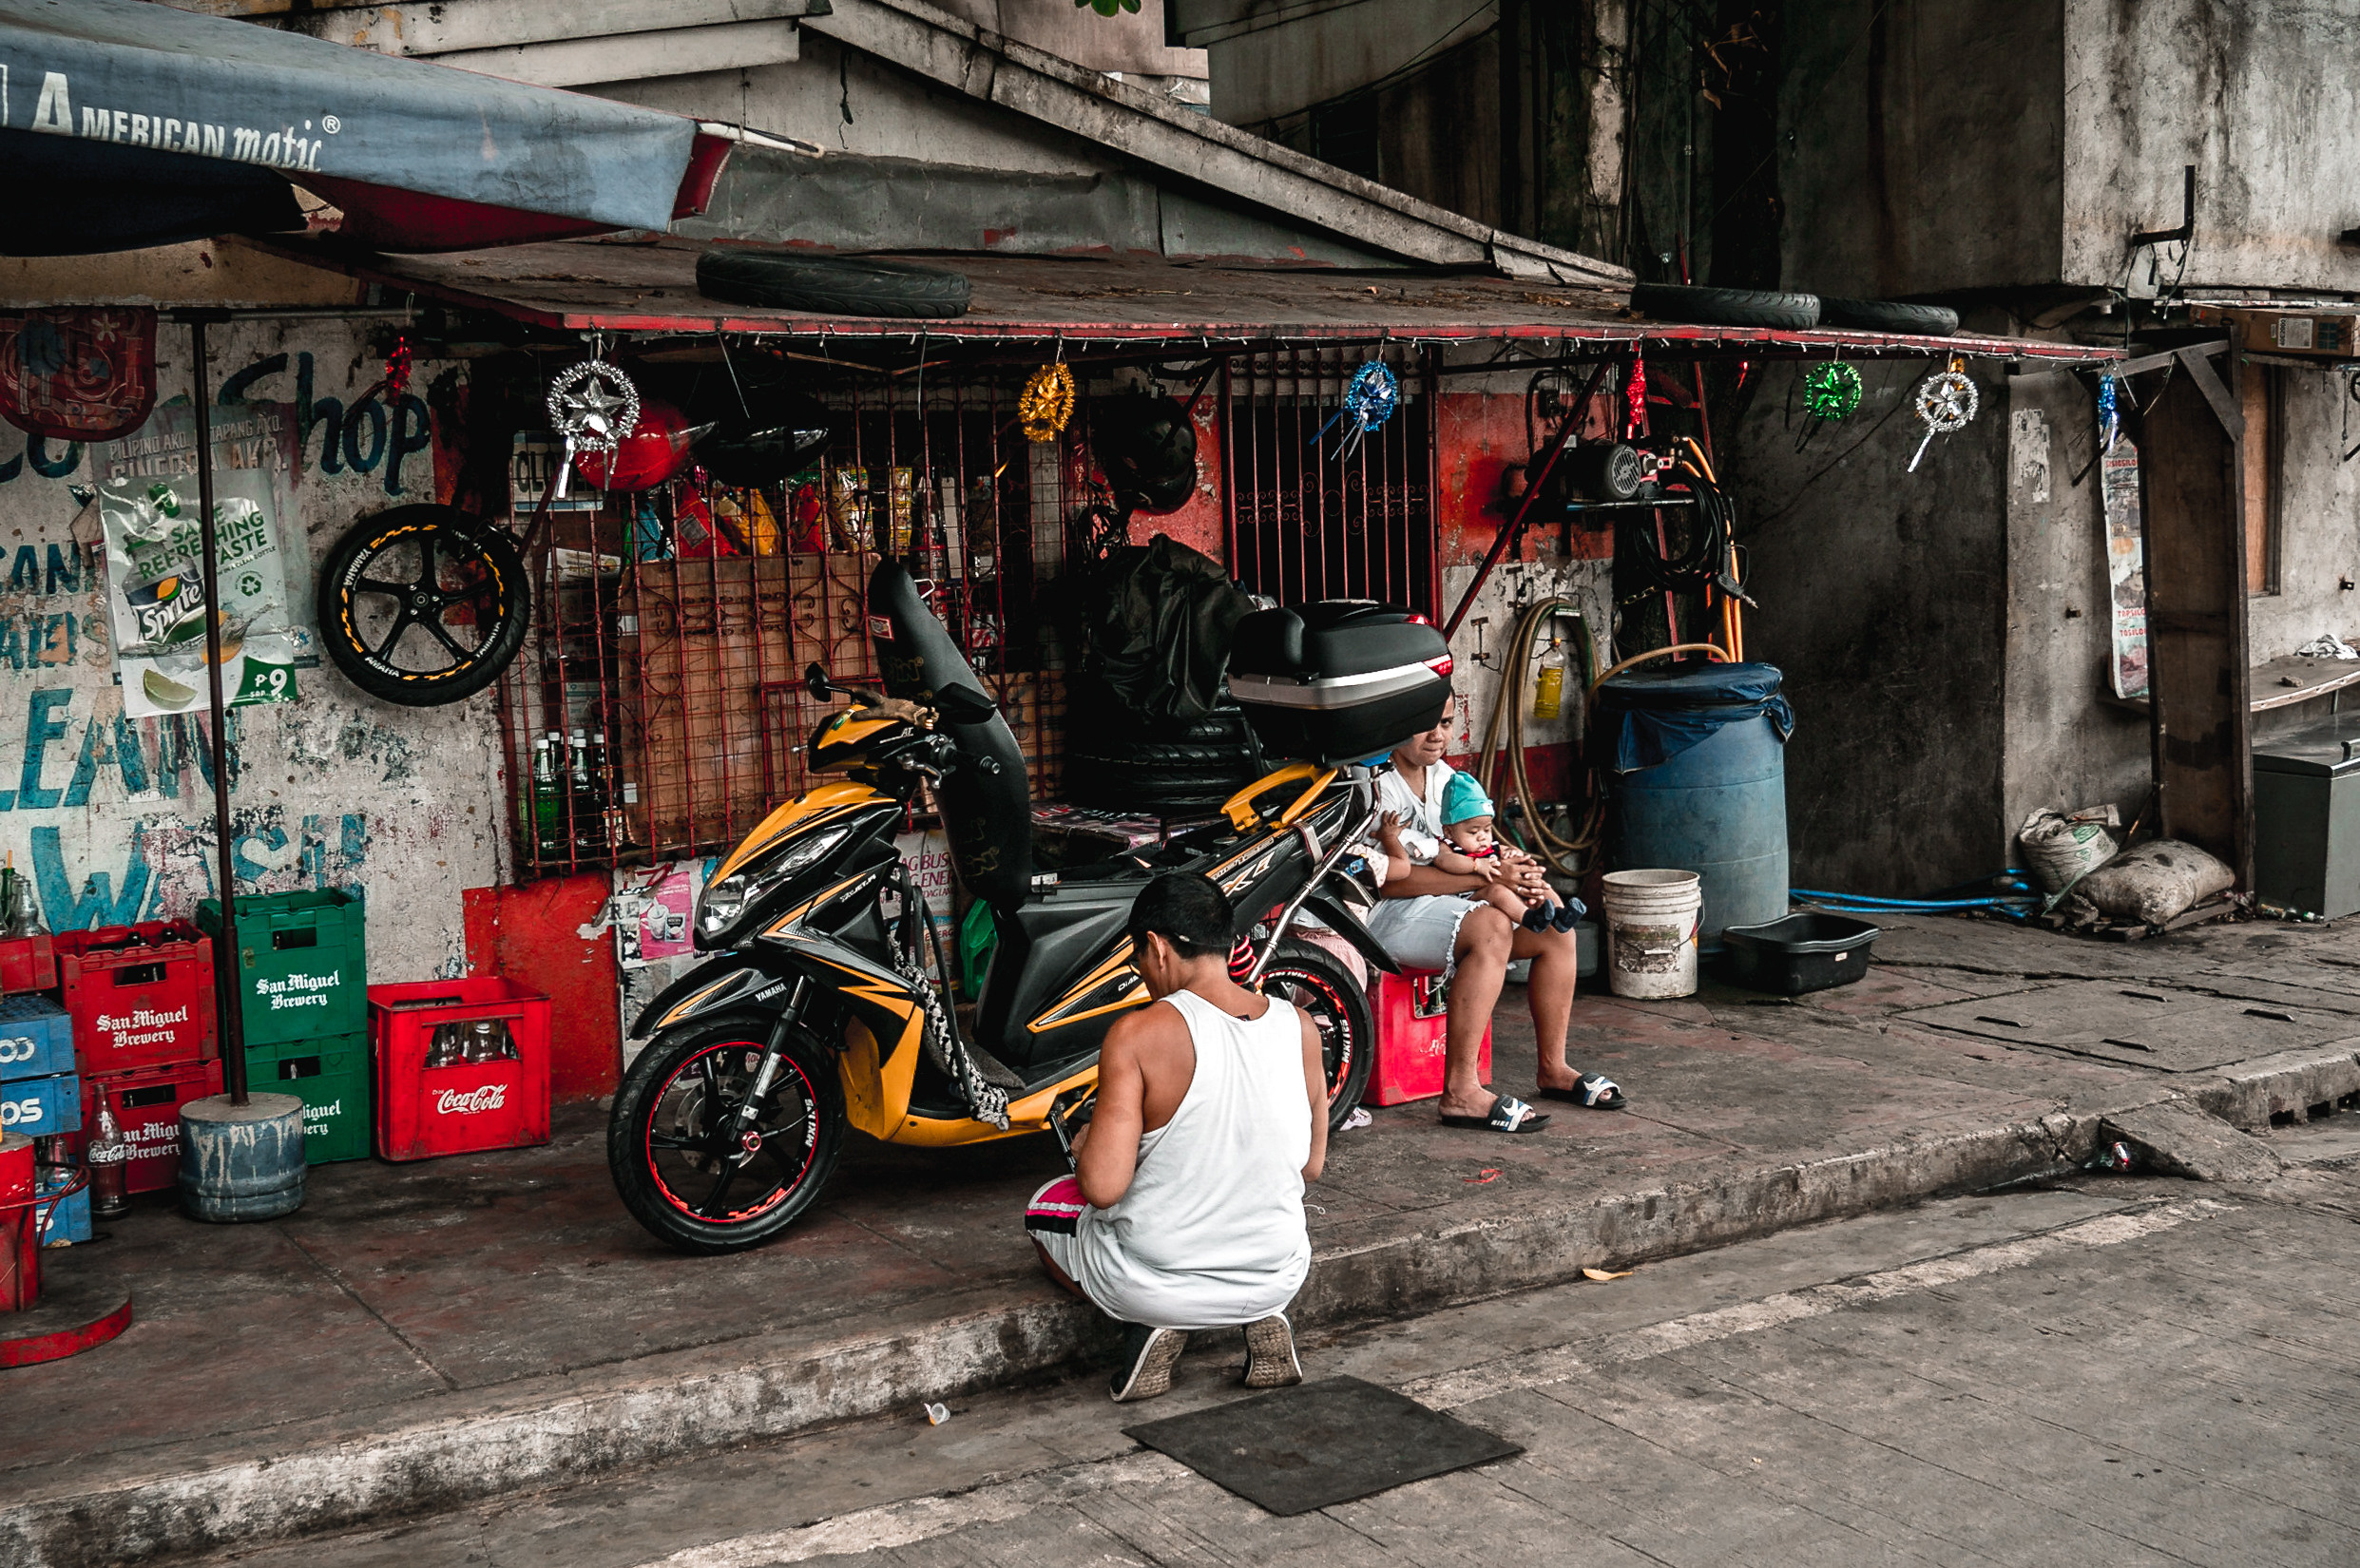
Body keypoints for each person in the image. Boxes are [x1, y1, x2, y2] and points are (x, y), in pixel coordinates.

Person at [1025, 871, 1331, 1403]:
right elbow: (1309, 1167)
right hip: (1276, 1275)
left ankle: (1149, 1326)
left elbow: (1102, 1187)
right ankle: (1258, 1318)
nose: (1141, 973)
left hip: (1156, 1284)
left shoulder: (1138, 1034)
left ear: (1159, 948)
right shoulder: (1298, 1025)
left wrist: (1086, 1145)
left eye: (1138, 958)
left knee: (1042, 1210)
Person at [1366, 710, 1627, 1134]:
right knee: (1491, 927)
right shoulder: (1374, 785)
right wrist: (1482, 875)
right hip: (1389, 913)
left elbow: (1472, 838)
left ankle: (1553, 1068)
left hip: (1455, 897)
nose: (1438, 735)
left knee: (1553, 922)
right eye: (1425, 722)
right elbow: (1387, 883)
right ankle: (1460, 1092)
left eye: (1447, 723)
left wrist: (1510, 865)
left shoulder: (1445, 776)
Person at [1378, 772, 1582, 935]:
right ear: (1449, 830)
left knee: (1541, 886)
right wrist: (1477, 866)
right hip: (1469, 896)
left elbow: (1508, 851)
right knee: (1498, 892)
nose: (1482, 837)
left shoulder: (1488, 846)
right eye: (1473, 832)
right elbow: (1447, 862)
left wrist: (1515, 855)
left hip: (1501, 885)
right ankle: (1529, 919)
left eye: (1487, 830)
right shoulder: (1446, 846)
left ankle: (1561, 913)